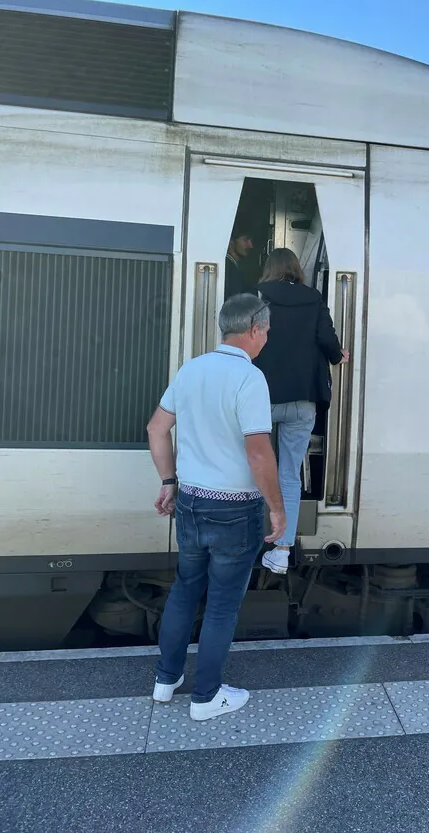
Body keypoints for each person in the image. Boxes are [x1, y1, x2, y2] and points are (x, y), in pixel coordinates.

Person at [146, 293, 286, 722]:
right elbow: (259, 454)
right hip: (235, 511)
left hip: (190, 502)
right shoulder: (250, 378)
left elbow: (157, 428)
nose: (266, 338)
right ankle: (206, 697)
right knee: (223, 604)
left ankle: (165, 681)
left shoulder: (192, 370)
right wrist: (278, 510)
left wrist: (169, 481)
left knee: (185, 591)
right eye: (266, 331)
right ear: (256, 329)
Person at [253, 248, 349, 576]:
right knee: (289, 475)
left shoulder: (256, 297)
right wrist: (338, 356)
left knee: (253, 469)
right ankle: (282, 551)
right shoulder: (314, 298)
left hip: (261, 400)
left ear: (269, 268)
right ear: (296, 269)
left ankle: (248, 540)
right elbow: (328, 341)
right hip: (302, 401)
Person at [225, 228, 255, 297]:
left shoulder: (231, 266)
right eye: (245, 240)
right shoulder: (228, 269)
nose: (251, 246)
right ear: (231, 242)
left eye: (251, 241)